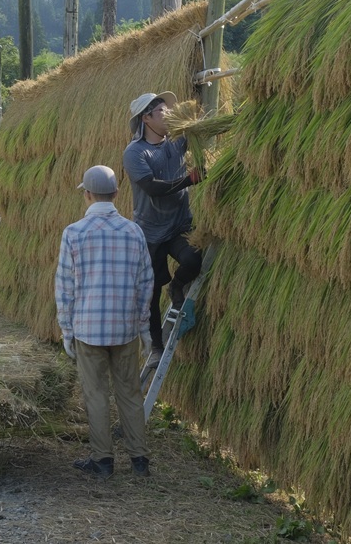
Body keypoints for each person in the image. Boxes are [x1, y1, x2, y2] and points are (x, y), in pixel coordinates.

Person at [55, 165, 154, 479]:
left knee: (96, 394)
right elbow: (145, 282)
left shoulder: (73, 233)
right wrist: (142, 325)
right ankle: (139, 460)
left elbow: (65, 287)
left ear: (86, 194)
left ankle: (103, 461)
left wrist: (67, 330)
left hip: (88, 329)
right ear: (117, 193)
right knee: (129, 393)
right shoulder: (134, 231)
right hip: (124, 328)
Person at [122, 91, 204, 368]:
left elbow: (200, 131)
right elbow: (153, 188)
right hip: (150, 233)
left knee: (193, 259)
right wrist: (189, 180)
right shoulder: (135, 153)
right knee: (152, 291)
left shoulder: (176, 142)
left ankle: (178, 285)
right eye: (162, 112)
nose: (168, 115)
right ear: (146, 118)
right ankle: (156, 347)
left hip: (179, 225)